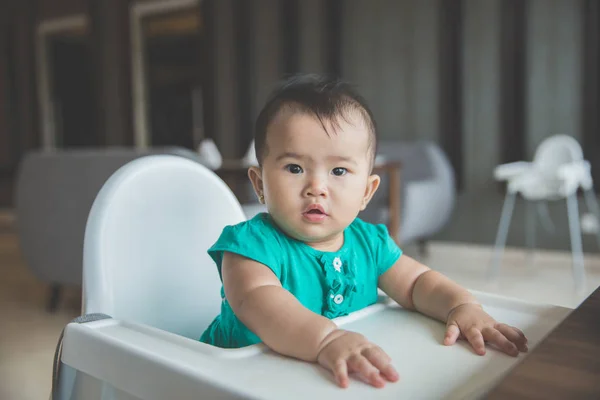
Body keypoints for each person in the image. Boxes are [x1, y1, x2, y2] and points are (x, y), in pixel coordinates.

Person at [200, 74, 528, 389]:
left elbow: (416, 284)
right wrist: (327, 339)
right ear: (260, 184)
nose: (317, 187)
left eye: (339, 170)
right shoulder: (248, 247)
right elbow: (260, 302)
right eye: (295, 168)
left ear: (367, 192)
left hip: (325, 381)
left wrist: (461, 306)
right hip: (230, 381)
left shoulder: (370, 244)